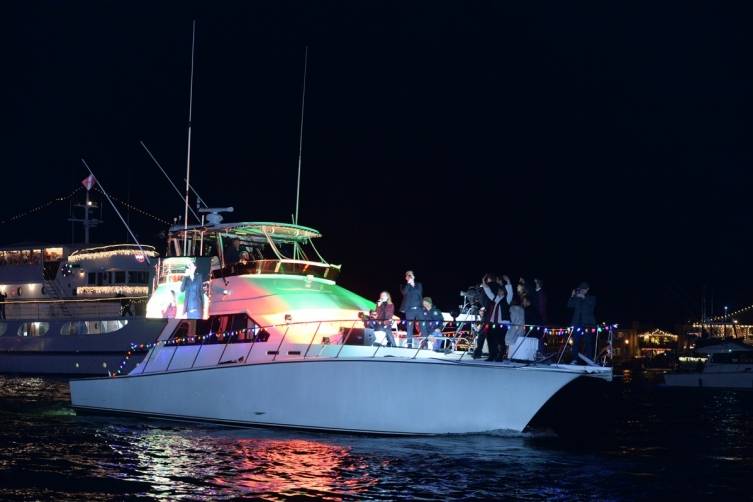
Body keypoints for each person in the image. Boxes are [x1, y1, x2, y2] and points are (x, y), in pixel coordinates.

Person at [482, 275, 513, 361]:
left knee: (500, 340)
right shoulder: (496, 299)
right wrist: (484, 282)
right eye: (499, 290)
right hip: (493, 322)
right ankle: (492, 355)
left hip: (502, 323)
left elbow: (510, 293)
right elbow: (489, 293)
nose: (499, 291)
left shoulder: (507, 300)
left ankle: (500, 356)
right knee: (490, 338)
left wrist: (508, 282)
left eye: (501, 290)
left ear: (504, 292)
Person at [568, 282, 597, 364]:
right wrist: (572, 296)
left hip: (587, 324)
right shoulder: (577, 299)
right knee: (575, 341)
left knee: (588, 341)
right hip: (577, 323)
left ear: (587, 290)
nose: (581, 291)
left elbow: (592, 305)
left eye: (583, 289)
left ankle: (590, 359)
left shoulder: (592, 298)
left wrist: (584, 297)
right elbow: (569, 305)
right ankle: (574, 359)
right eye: (580, 289)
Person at [473, 273, 499, 359]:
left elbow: (482, 300)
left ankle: (477, 352)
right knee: (492, 335)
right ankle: (493, 354)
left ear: (488, 279)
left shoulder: (487, 287)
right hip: (496, 314)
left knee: (482, 334)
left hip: (488, 313)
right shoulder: (498, 287)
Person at [399, 270, 423, 348]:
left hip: (419, 309)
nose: (409, 276)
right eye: (407, 275)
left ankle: (424, 343)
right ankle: (409, 344)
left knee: (423, 325)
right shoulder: (403, 286)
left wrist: (413, 284)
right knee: (409, 327)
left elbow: (419, 293)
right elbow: (404, 292)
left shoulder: (419, 284)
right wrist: (409, 284)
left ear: (414, 276)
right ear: (406, 277)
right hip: (409, 310)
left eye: (410, 275)